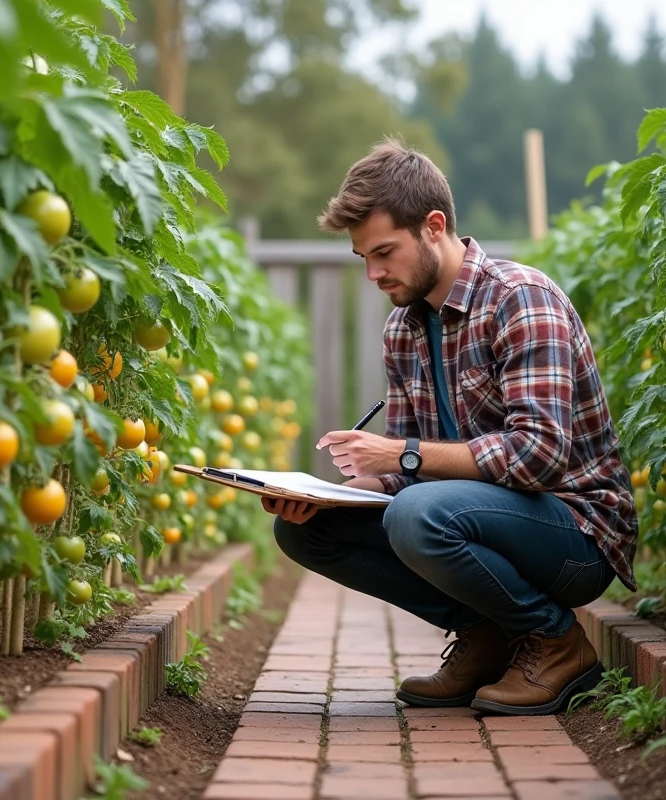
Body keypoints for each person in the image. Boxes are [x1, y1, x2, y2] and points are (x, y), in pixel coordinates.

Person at [260, 138, 638, 716]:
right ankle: (486, 636)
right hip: (480, 519)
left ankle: (556, 644)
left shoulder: (520, 298)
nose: (373, 272)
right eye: (363, 257)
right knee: (307, 532)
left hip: (575, 535)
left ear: (434, 226)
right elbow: (412, 474)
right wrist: (341, 496)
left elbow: (538, 456)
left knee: (419, 514)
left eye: (384, 252)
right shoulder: (403, 329)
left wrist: (400, 458)